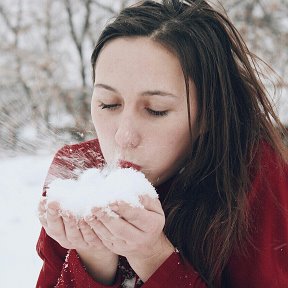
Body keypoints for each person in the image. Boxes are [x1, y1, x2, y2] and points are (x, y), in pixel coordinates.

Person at [36, 0, 288, 287]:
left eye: (156, 110)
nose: (123, 137)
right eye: (108, 104)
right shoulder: (77, 172)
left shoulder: (253, 175)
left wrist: (152, 256)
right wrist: (92, 259)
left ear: (209, 114)